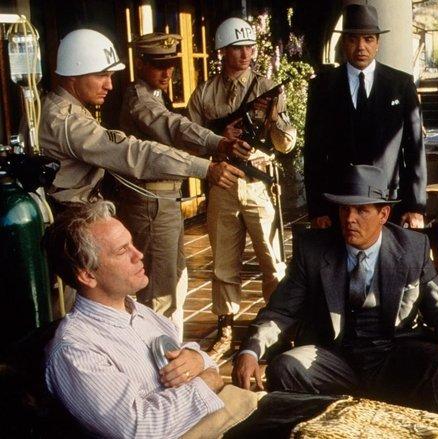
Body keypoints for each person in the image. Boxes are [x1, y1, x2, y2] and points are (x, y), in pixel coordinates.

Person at [233, 165, 438, 416]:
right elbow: (280, 311)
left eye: (361, 210)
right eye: (344, 209)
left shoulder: (412, 248)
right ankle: (314, 432)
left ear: (383, 214)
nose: (349, 219)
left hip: (393, 356)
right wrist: (251, 350)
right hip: (335, 358)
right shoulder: (313, 250)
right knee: (284, 368)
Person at [42, 201, 227, 437]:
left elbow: (195, 362)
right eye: (122, 251)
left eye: (131, 243)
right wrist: (207, 382)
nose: (138, 255)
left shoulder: (142, 314)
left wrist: (198, 360)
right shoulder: (76, 350)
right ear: (87, 275)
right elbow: (139, 429)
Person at [114, 32, 252, 335]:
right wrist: (217, 142)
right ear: (141, 63)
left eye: (171, 64)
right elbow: (173, 127)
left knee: (174, 280)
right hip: (151, 202)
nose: (167, 73)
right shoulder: (140, 100)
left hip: (164, 199)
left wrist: (217, 139)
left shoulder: (155, 95)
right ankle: (160, 353)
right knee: (160, 291)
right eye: (158, 65)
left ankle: (170, 346)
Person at [187, 17, 297, 358]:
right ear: (223, 51)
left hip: (259, 182)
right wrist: (219, 139)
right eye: (237, 48)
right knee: (223, 262)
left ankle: (277, 328)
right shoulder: (205, 94)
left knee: (272, 261)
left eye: (250, 47)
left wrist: (274, 119)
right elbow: (189, 141)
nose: (246, 54)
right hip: (222, 182)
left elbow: (286, 144)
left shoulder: (267, 87)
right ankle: (225, 328)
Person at [40, 29, 242, 208]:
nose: (109, 85)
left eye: (110, 76)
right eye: (101, 75)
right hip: (79, 211)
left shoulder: (58, 107)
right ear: (73, 74)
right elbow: (133, 152)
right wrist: (205, 167)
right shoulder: (67, 121)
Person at [304, 4, 426, 229]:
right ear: (344, 43)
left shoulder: (401, 85)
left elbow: (415, 150)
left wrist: (416, 206)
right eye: (353, 39)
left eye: (368, 39)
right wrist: (317, 210)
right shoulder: (322, 87)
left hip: (388, 204)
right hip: (339, 206)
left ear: (378, 43)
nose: (361, 47)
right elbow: (313, 153)